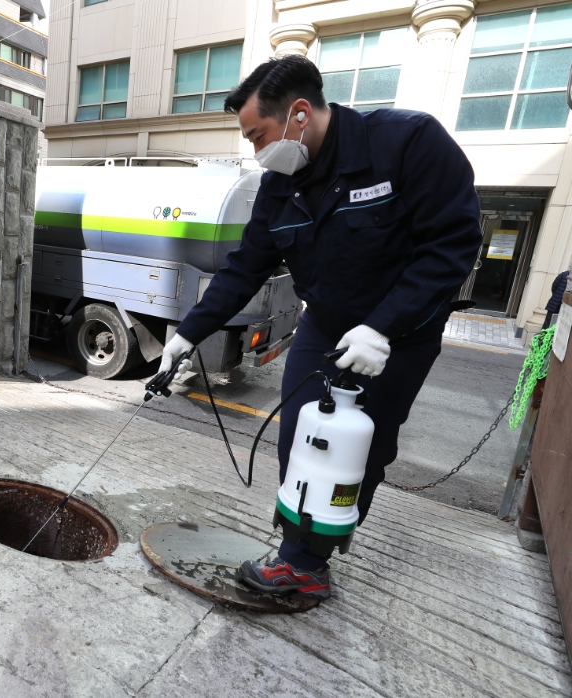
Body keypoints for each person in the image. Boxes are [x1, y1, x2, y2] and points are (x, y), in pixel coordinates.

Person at [159, 56, 482, 601]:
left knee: (356, 451)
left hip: (397, 338)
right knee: (297, 439)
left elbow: (452, 245)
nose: (256, 152)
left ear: (299, 115)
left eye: (258, 135)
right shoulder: (279, 184)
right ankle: (298, 548)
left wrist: (382, 327)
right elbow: (246, 267)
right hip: (324, 326)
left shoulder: (407, 144)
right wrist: (189, 333)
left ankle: (308, 564)